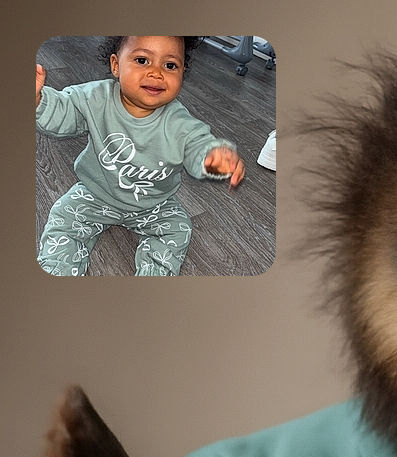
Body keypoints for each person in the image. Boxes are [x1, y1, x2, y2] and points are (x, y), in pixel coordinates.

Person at [36, 35, 245, 276]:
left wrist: (213, 157)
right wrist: (39, 99)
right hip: (96, 193)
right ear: (116, 65)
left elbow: (198, 143)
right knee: (63, 217)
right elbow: (64, 110)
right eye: (142, 60)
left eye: (170, 65)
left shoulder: (179, 123)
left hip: (154, 204)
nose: (156, 73)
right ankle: (56, 274)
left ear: (182, 73)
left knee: (179, 228)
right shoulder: (94, 98)